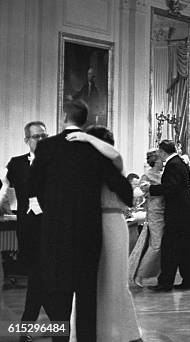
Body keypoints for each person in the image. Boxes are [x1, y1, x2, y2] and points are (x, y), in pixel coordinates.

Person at [27, 99, 132, 341]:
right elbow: (122, 188)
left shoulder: (47, 147)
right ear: (84, 120)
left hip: (56, 231)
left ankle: (61, 337)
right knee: (87, 294)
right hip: (89, 231)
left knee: (59, 293)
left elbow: (33, 186)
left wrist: (51, 213)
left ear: (64, 117)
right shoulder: (94, 149)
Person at [65, 127, 141, 342]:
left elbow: (115, 155)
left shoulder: (114, 165)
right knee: (89, 283)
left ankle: (121, 332)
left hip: (112, 223)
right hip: (88, 224)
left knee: (114, 281)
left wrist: (87, 137)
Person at [1, 121, 48, 331]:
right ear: (26, 140)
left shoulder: (56, 163)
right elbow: (3, 188)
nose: (41, 140)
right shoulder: (16, 163)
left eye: (44, 136)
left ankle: (28, 325)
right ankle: (37, 324)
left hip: (51, 228)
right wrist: (4, 208)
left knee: (42, 276)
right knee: (36, 275)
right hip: (27, 229)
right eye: (36, 137)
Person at [141, 140, 190, 291]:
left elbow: (171, 187)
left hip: (177, 213)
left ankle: (165, 283)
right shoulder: (180, 162)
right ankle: (189, 281)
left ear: (163, 151)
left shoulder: (173, 165)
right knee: (184, 248)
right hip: (185, 211)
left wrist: (152, 189)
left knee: (170, 248)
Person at [129, 149, 165, 287]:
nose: (163, 162)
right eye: (161, 160)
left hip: (164, 210)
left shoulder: (162, 174)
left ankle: (155, 273)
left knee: (160, 245)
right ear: (156, 161)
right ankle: (140, 274)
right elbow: (143, 191)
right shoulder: (147, 176)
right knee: (156, 245)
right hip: (155, 211)